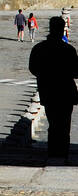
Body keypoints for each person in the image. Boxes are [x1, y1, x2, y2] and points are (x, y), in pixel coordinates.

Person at [29, 15, 78, 165]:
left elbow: (33, 68)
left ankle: (53, 153)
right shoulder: (68, 50)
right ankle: (62, 153)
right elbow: (76, 72)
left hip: (48, 91)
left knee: (54, 123)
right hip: (65, 93)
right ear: (63, 28)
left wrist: (45, 76)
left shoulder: (39, 48)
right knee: (64, 125)